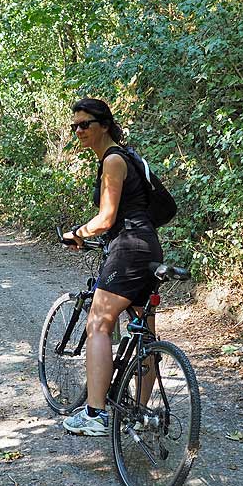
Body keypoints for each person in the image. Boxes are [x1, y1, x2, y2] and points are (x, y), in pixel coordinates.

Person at [61, 98, 163, 436]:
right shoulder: (128, 157)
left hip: (128, 248)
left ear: (104, 124)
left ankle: (96, 413)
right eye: (75, 125)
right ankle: (142, 412)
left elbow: (106, 219)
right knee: (143, 334)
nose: (79, 131)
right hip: (148, 247)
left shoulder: (114, 160)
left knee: (99, 325)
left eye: (85, 124)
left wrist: (78, 233)